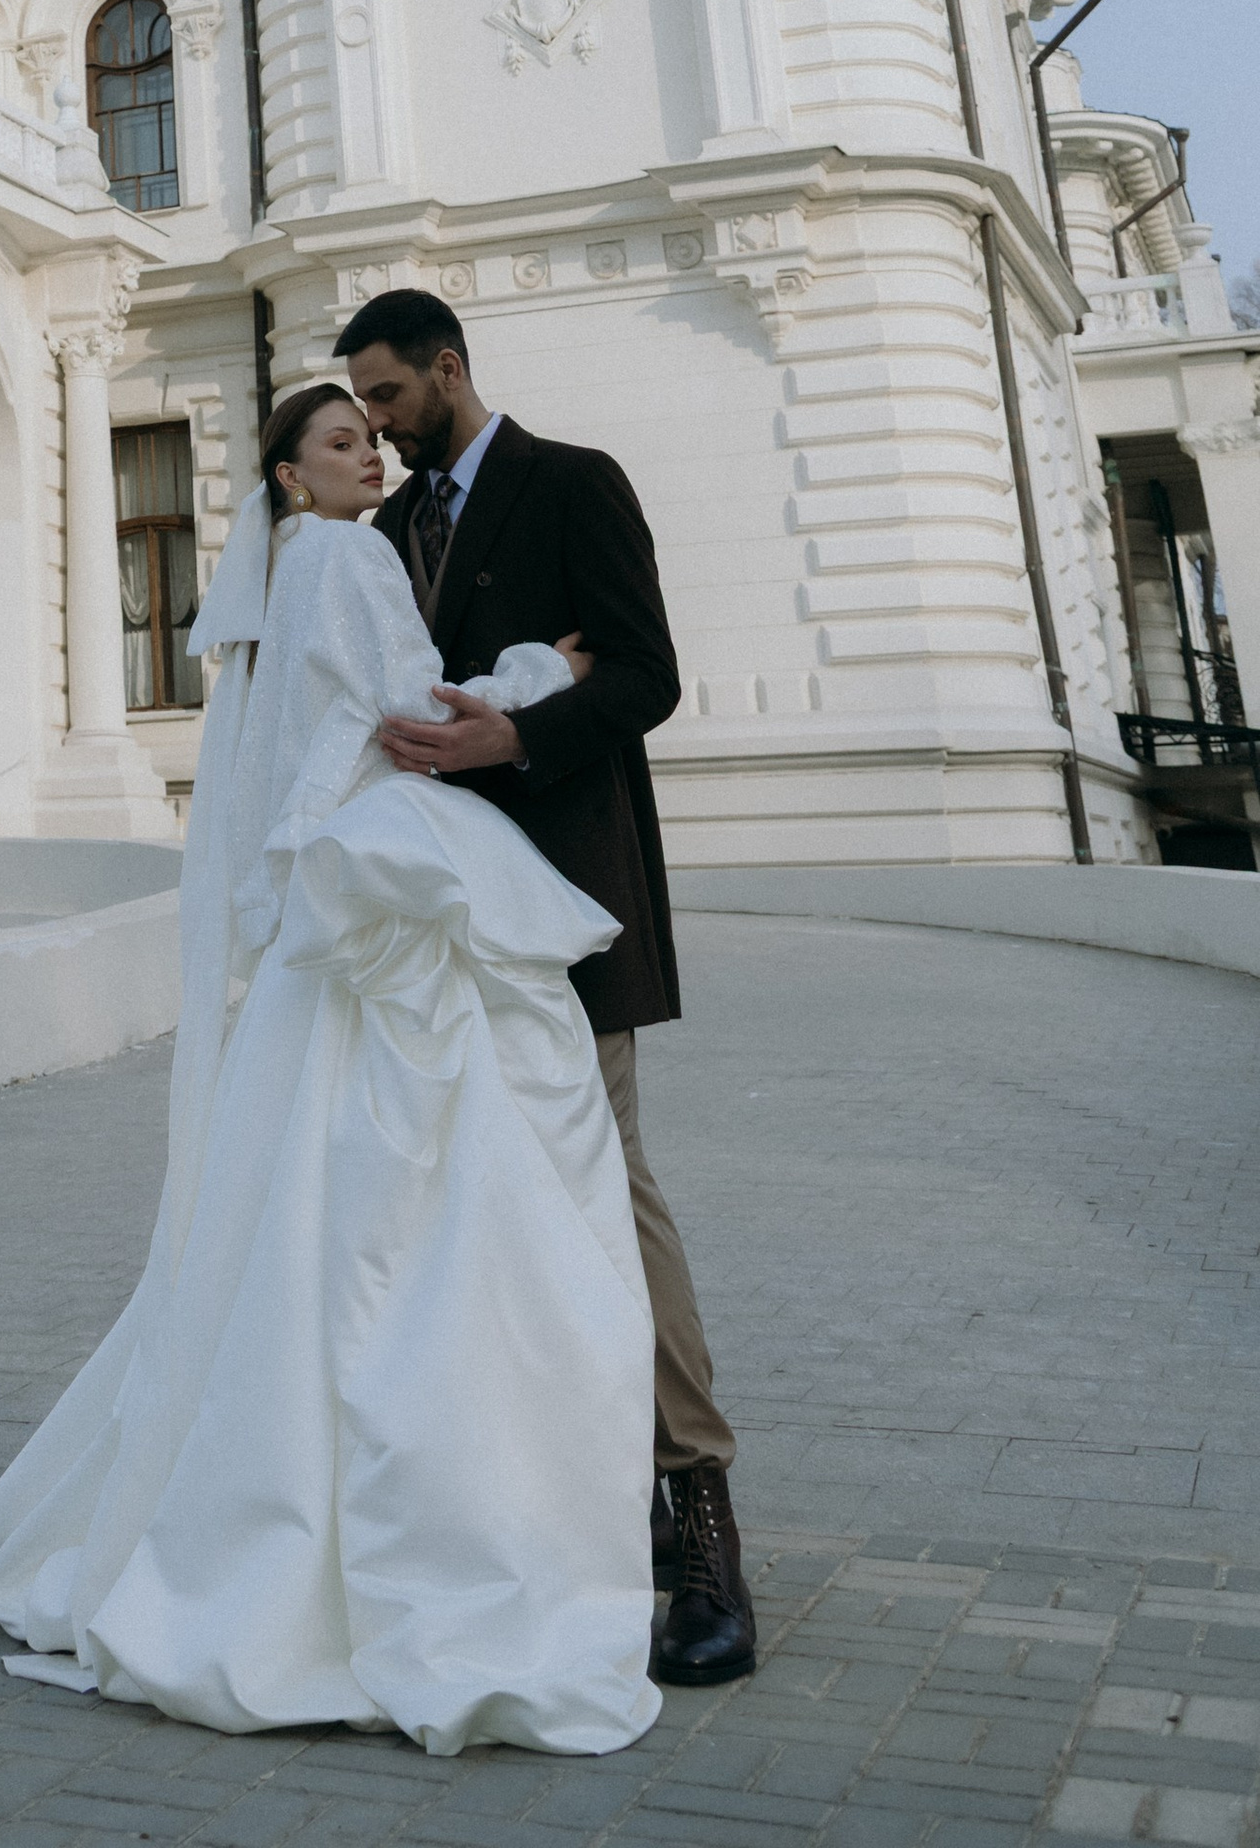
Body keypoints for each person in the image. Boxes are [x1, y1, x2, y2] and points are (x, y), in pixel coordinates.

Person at [0, 384, 665, 1758]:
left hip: (340, 903)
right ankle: (402, 1526)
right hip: (390, 891)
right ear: (293, 480)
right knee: (421, 1202)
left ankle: (264, 1494)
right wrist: (545, 672)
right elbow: (415, 715)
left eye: (373, 439)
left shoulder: (296, 570)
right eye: (344, 445)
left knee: (306, 1203)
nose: (373, 459)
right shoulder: (349, 557)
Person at [333, 286, 754, 1688]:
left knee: (611, 1183)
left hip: (570, 903)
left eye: (390, 397)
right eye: (362, 408)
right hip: (437, 926)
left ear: (450, 370)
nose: (377, 431)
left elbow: (648, 674)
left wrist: (521, 726)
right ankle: (565, 1501)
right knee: (472, 1206)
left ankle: (700, 1523)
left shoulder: (573, 484)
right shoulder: (384, 536)